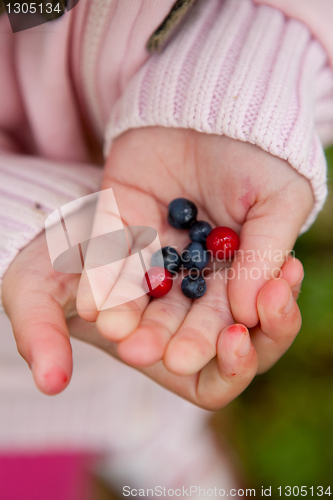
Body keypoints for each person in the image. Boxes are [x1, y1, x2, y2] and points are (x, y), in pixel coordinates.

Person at [0, 0, 332, 488]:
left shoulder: (184, 255)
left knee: (157, 389)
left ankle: (163, 451)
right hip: (16, 379)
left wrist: (255, 64)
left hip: (118, 300)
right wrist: (29, 217)